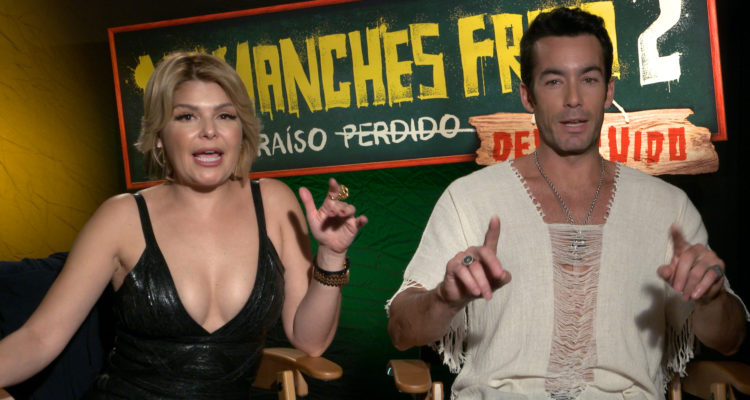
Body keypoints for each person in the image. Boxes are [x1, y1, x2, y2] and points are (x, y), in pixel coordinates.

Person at [387, 7, 746, 400]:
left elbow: (730, 339)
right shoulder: (469, 198)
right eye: (554, 81)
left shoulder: (668, 207)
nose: (573, 99)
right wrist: (444, 298)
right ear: (528, 95)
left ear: (608, 91)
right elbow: (401, 331)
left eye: (588, 79)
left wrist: (711, 299)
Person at [0, 52, 367, 399]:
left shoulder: (274, 203)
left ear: (241, 130)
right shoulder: (121, 217)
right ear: (159, 136)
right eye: (187, 117)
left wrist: (330, 256)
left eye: (225, 116)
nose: (209, 131)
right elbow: (39, 338)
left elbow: (311, 341)